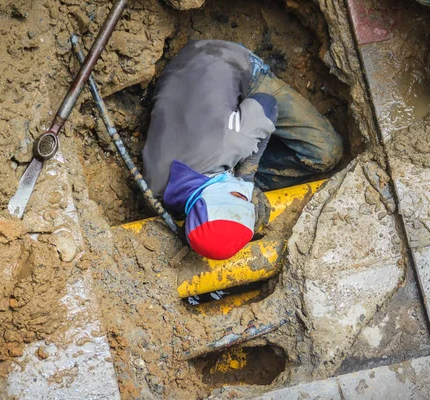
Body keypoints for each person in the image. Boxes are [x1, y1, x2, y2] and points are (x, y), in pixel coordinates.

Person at [143, 40, 343, 260]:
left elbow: (267, 104)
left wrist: (247, 176)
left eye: (239, 196)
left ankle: (249, 119)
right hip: (174, 82)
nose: (246, 195)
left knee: (325, 152)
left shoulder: (230, 143)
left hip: (219, 58)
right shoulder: (155, 189)